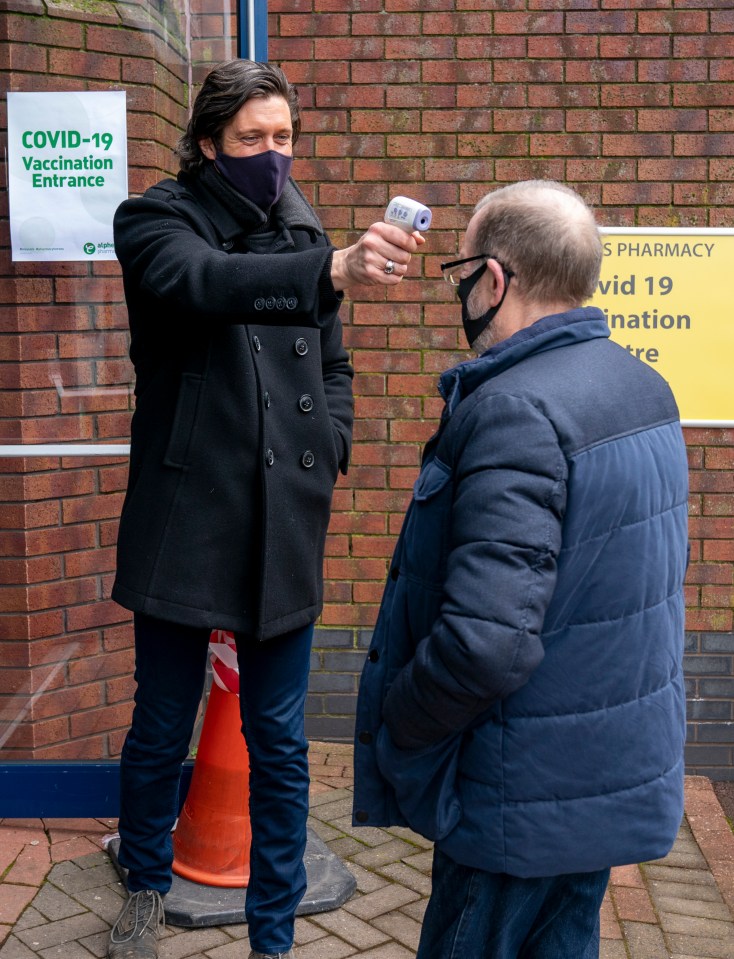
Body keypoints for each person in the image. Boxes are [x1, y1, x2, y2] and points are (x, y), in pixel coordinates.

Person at [108, 59, 423, 959]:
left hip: (286, 515)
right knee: (161, 725)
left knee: (281, 742)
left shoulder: (301, 221)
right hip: (186, 513)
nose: (273, 155)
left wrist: (333, 447)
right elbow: (205, 283)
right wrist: (329, 266)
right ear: (209, 142)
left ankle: (273, 930)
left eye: (284, 137)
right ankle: (144, 886)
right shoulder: (156, 219)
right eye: (253, 139)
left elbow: (331, 364)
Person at [353, 180, 689, 959]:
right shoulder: (645, 388)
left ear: (493, 278)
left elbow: (484, 641)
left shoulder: (514, 410)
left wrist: (401, 719)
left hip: (516, 795)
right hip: (598, 780)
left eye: (464, 273)